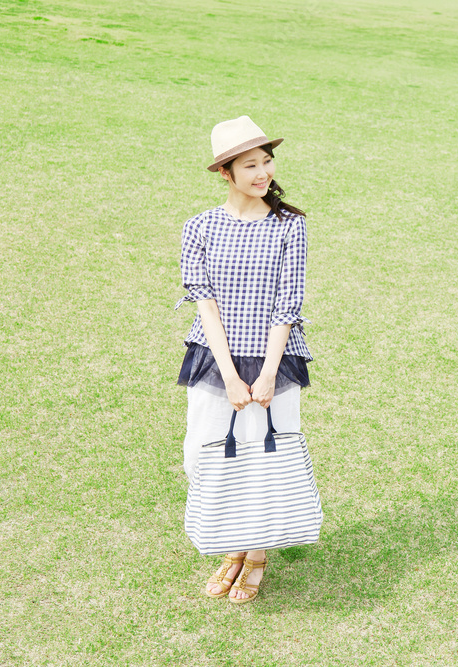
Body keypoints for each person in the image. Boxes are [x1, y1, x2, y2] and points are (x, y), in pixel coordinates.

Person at [174, 115, 312, 604]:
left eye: (267, 161)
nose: (263, 172)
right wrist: (232, 376)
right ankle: (231, 546)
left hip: (277, 356)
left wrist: (270, 371)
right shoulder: (200, 227)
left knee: (264, 457)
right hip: (215, 361)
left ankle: (255, 556)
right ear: (224, 173)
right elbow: (204, 303)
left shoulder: (288, 226)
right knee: (203, 454)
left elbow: (287, 304)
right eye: (250, 164)